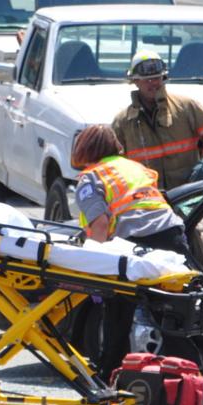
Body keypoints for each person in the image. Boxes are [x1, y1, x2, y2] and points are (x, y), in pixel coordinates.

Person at [71, 124, 193, 378]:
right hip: (171, 235)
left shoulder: (91, 177)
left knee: (118, 314)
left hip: (135, 243)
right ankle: (187, 381)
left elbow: (101, 223)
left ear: (83, 149)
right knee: (173, 311)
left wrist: (98, 264)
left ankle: (109, 378)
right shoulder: (134, 167)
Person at [111, 50, 203, 191]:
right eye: (147, 80)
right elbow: (112, 162)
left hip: (186, 192)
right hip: (147, 198)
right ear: (135, 81)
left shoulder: (186, 107)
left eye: (157, 78)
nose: (153, 83)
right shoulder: (123, 122)